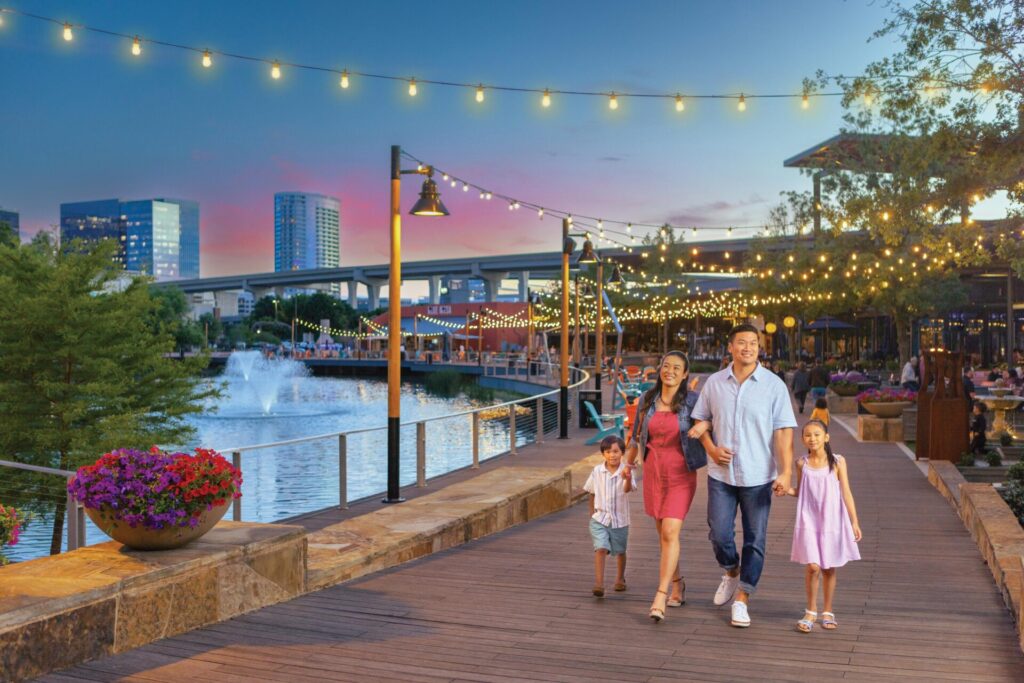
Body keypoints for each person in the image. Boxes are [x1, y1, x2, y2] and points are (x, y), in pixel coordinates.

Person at [689, 324, 796, 628]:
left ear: (759, 349)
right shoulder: (714, 383)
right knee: (719, 532)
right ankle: (731, 571)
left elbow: (784, 432)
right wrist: (710, 449)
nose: (747, 348)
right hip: (721, 474)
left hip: (759, 474)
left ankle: (743, 598)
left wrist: (786, 472)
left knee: (755, 539)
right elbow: (701, 420)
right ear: (731, 348)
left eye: (753, 343)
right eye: (742, 343)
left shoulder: (774, 385)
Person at [625, 351, 705, 623]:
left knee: (671, 530)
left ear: (685, 375)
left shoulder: (693, 401)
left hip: (681, 472)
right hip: (653, 471)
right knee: (664, 535)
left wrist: (705, 425)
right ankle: (678, 582)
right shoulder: (648, 399)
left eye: (677, 368)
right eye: (665, 366)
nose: (669, 371)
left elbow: (714, 421)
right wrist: (626, 467)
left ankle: (660, 594)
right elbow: (635, 437)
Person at [787, 419, 862, 633]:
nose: (813, 438)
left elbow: (846, 492)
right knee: (813, 567)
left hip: (832, 520)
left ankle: (827, 610)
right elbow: (801, 491)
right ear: (803, 439)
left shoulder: (838, 462)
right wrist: (785, 490)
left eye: (817, 434)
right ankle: (811, 610)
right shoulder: (802, 463)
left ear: (826, 437)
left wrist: (854, 521)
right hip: (809, 519)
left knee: (829, 567)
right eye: (808, 435)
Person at [584, 435, 635, 598]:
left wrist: (627, 478)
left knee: (620, 550)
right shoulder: (597, 471)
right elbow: (591, 491)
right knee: (601, 548)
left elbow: (628, 489)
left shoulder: (625, 470)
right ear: (603, 454)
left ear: (622, 453)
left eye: (615, 451)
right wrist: (592, 513)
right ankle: (599, 583)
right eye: (608, 452)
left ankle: (620, 579)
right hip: (600, 519)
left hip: (620, 520)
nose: (612, 455)